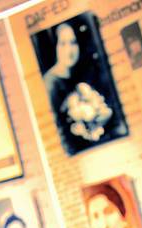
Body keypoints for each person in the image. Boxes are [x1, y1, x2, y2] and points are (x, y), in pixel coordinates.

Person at [42, 22, 113, 154]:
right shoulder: (50, 83)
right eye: (63, 43)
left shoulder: (81, 74)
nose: (69, 50)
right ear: (55, 47)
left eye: (73, 42)